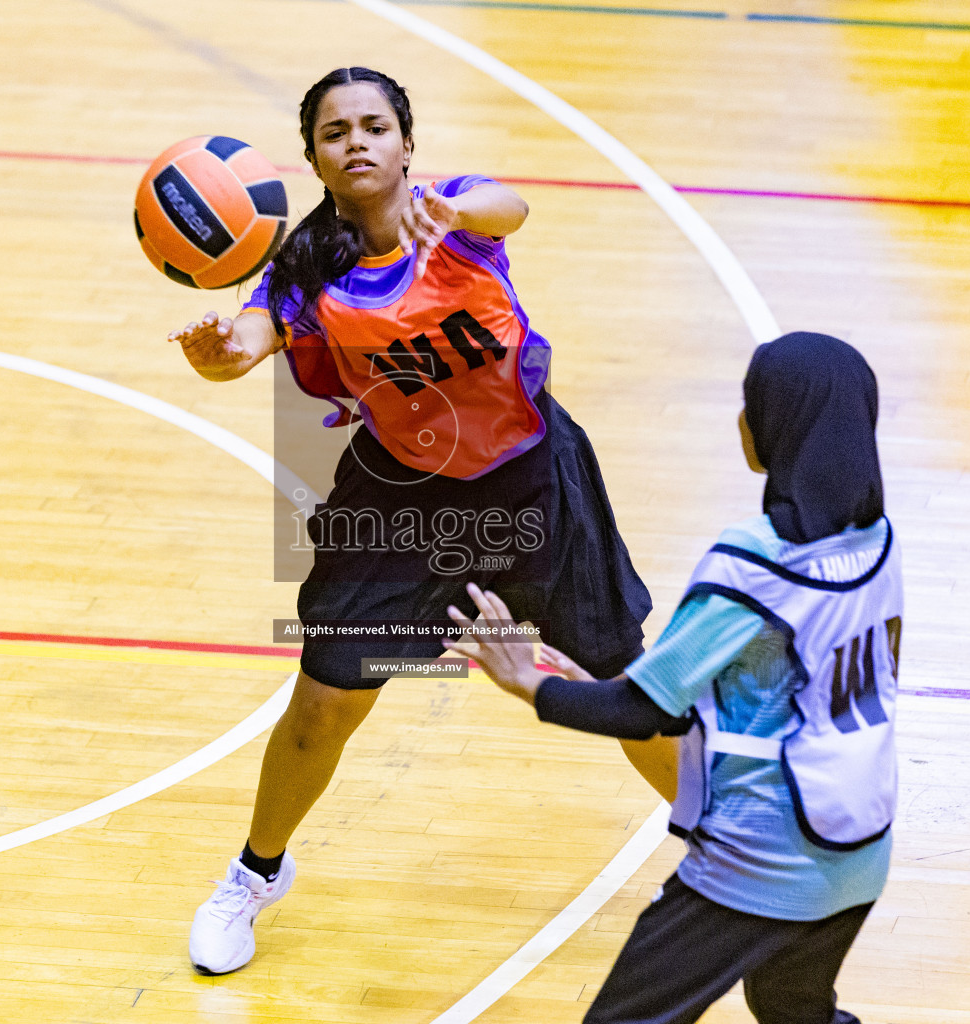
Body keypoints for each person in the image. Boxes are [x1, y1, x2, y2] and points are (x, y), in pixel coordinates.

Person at [168, 66, 667, 975]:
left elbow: (509, 206)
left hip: (531, 485)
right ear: (316, 157)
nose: (356, 141)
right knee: (323, 704)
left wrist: (465, 213)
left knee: (631, 682)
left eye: (374, 126)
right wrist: (212, 353)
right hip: (403, 503)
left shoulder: (459, 216)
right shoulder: (306, 267)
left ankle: (729, 853)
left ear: (406, 142)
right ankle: (256, 873)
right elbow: (242, 346)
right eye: (334, 132)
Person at [447, 332, 898, 1024]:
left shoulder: (754, 567)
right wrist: (596, 682)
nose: (741, 421)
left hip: (763, 854)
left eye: (750, 406)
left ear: (770, 432)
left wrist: (526, 680)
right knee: (792, 1006)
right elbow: (788, 688)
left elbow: (640, 712)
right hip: (862, 844)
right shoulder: (877, 543)